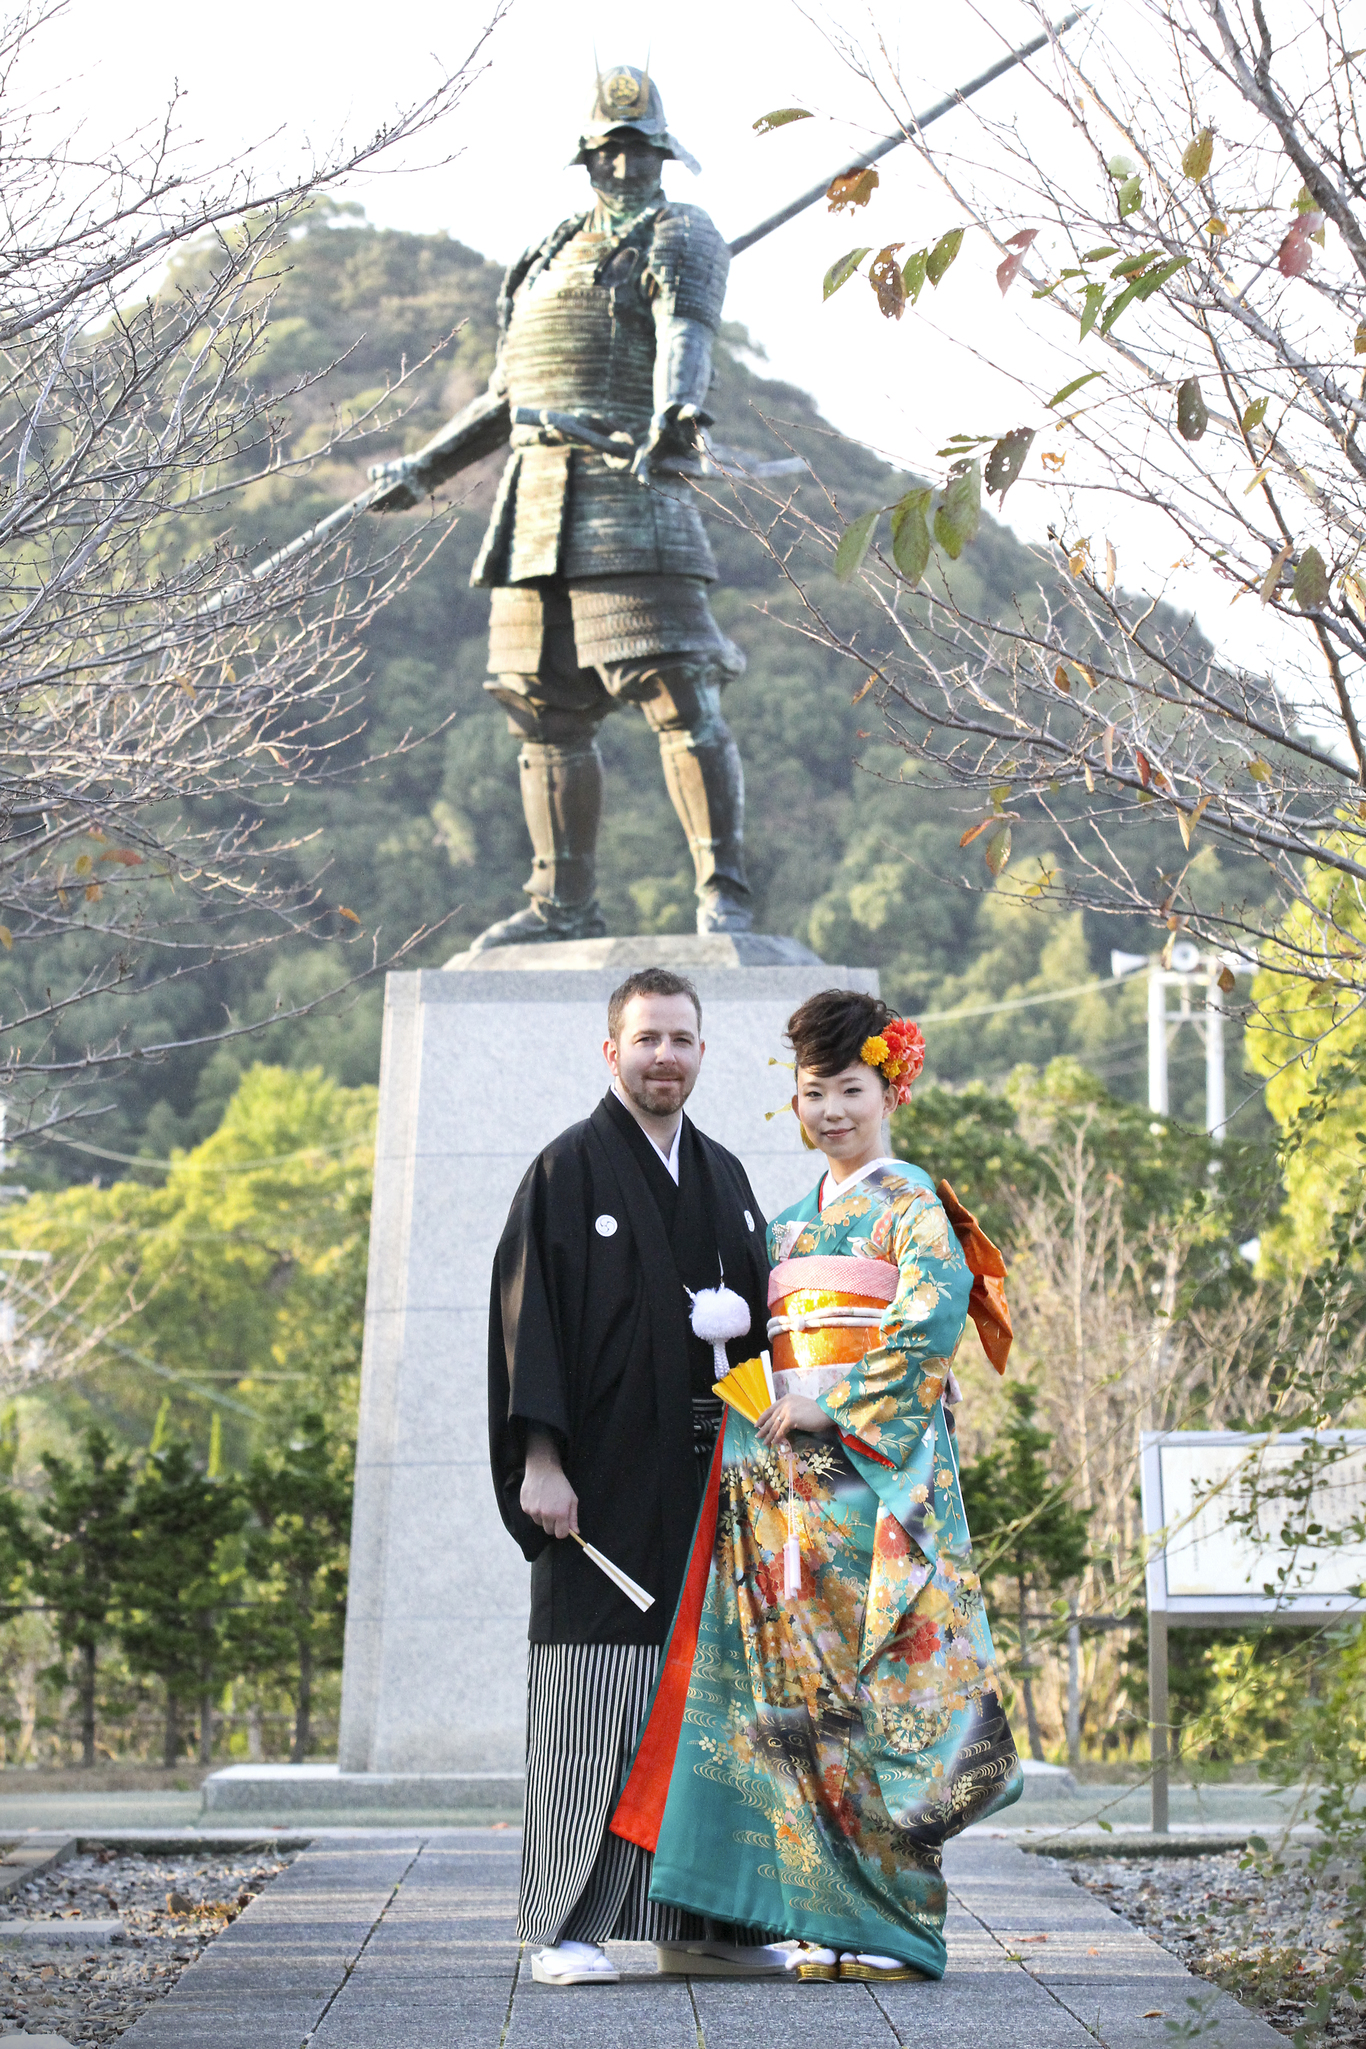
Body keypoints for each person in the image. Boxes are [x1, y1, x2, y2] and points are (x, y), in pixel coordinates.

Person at [611, 987, 1022, 1984]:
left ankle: (902, 1929)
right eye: (813, 1093)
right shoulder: (790, 1222)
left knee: (881, 1698)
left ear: (891, 1091)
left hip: (875, 1488)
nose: (831, 1112)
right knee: (805, 1710)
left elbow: (928, 1322)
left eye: (849, 1090)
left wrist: (826, 1403)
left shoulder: (910, 1203)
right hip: (792, 1495)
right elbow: (761, 1348)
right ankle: (830, 1921)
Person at [371, 64, 752, 950]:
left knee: (679, 691)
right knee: (542, 711)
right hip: (533, 500)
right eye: (610, 150)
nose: (624, 165)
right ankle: (561, 906)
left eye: (639, 150)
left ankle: (723, 893)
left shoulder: (681, 232)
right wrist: (424, 470)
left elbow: (685, 334)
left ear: (663, 155)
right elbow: (508, 397)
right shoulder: (543, 258)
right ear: (587, 156)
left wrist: (677, 410)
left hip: (627, 488)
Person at [487, 966, 781, 1985]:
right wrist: (540, 1462)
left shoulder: (725, 1176)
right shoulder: (566, 1170)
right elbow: (529, 1327)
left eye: (681, 1039)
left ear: (702, 1053)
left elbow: (767, 1332)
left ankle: (708, 1925)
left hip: (711, 1488)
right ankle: (565, 1926)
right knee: (594, 1702)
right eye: (647, 1038)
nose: (665, 1056)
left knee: (710, 1704)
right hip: (600, 1488)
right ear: (611, 1050)